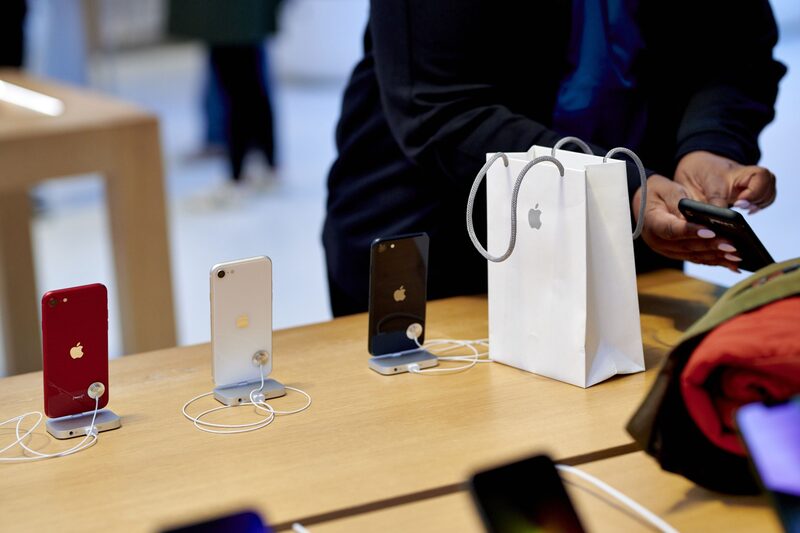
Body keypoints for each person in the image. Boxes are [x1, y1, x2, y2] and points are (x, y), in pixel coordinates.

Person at [323, 0, 786, 316]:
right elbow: (438, 106)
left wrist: (712, 143)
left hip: (627, 234)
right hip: (446, 234)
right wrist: (622, 185)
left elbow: (737, 52)